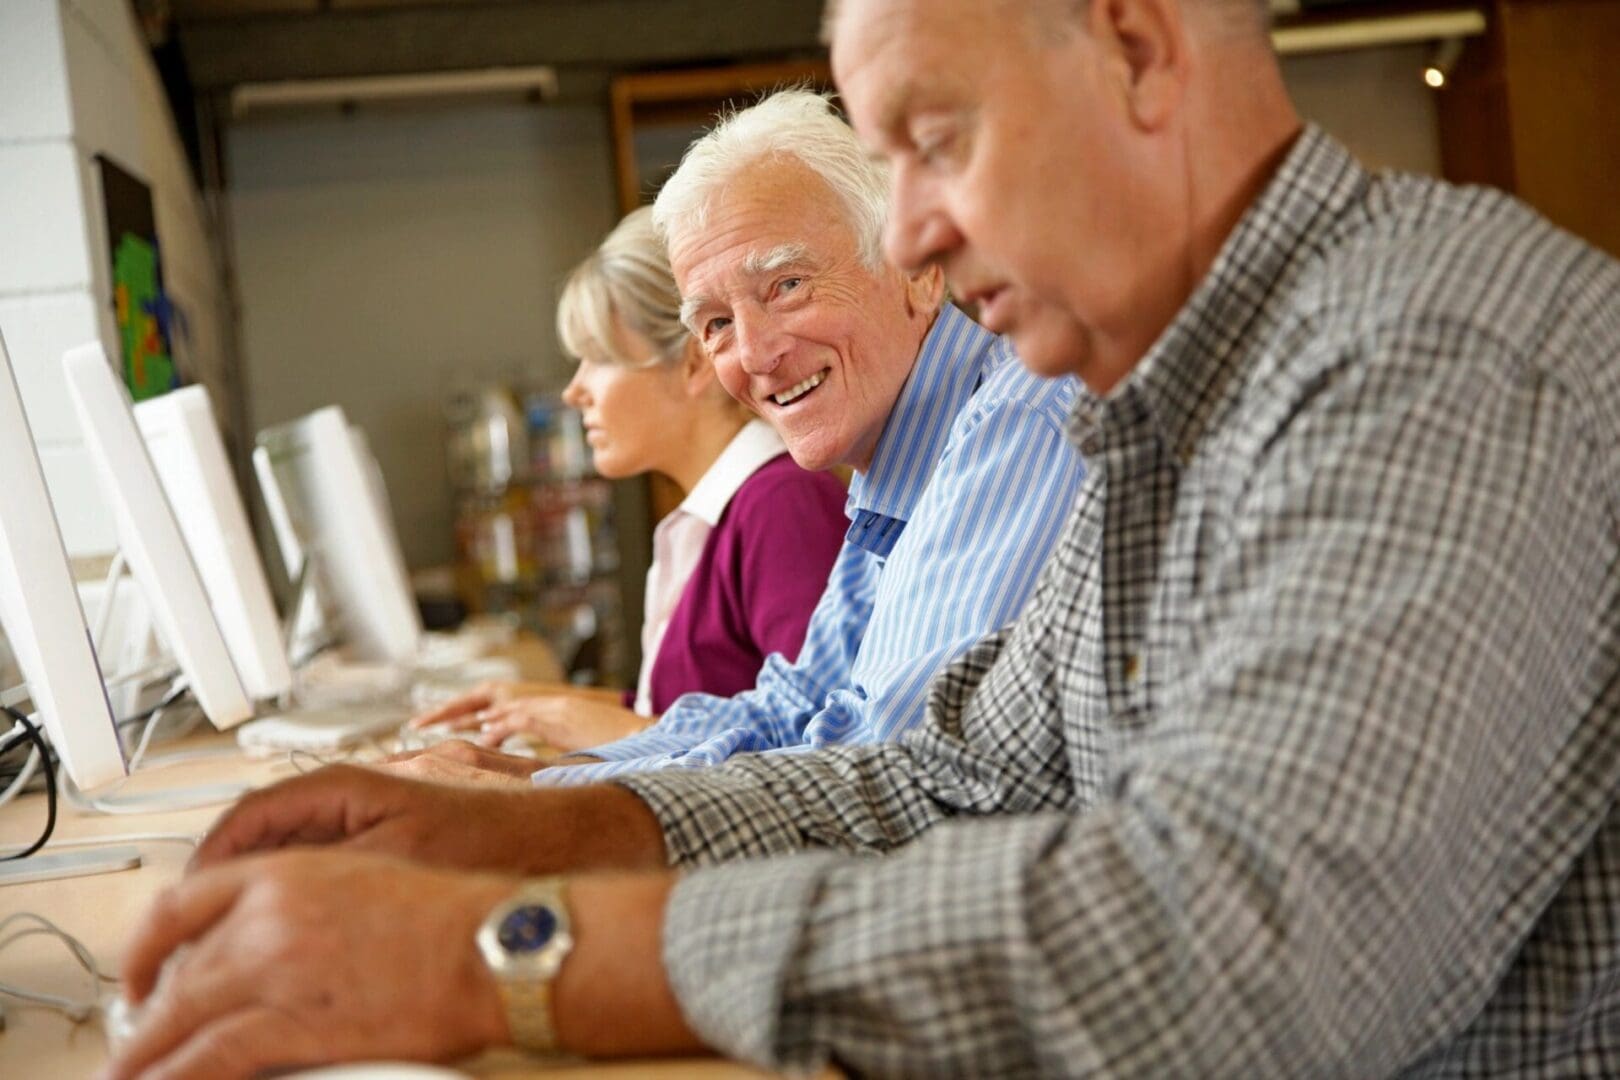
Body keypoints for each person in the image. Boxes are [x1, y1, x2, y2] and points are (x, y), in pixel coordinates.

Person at [106, 1, 1620, 1077]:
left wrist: (502, 955)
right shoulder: (1154, 408)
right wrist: (538, 831)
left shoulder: (1433, 358)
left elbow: (1233, 960)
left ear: (1139, 47)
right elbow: (960, 772)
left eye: (934, 140)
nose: (907, 240)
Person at [394, 89, 1082, 784]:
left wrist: (552, 793)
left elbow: (887, 773)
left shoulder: (1010, 427)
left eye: (786, 285)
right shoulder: (887, 478)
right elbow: (790, 710)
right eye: (717, 323)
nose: (753, 354)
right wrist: (532, 779)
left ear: (920, 272)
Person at [411, 207, 847, 753]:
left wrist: (595, 725)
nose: (575, 391)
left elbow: (821, 741)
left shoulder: (782, 505)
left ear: (693, 364)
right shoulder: (721, 512)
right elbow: (687, 708)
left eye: (597, 359)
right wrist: (538, 705)